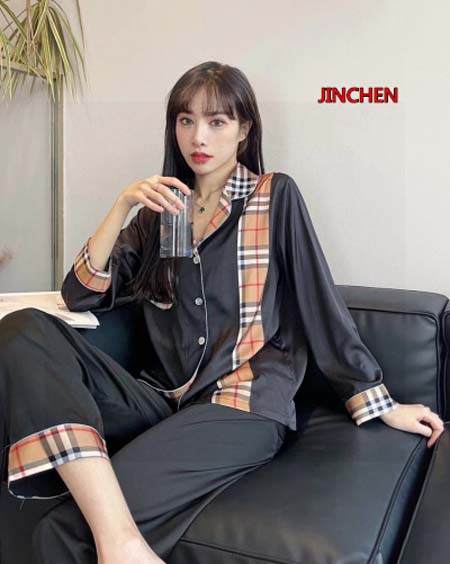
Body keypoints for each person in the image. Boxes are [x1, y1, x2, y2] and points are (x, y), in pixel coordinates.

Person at [0, 61, 444, 564]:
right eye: (186, 120)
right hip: (163, 400)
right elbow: (81, 294)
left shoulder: (274, 196)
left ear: (244, 129)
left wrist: (378, 401)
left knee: (67, 532)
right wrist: (123, 205)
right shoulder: (160, 214)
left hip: (242, 405)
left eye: (217, 121)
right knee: (23, 329)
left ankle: (120, 542)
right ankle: (123, 543)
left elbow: (319, 301)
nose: (199, 137)